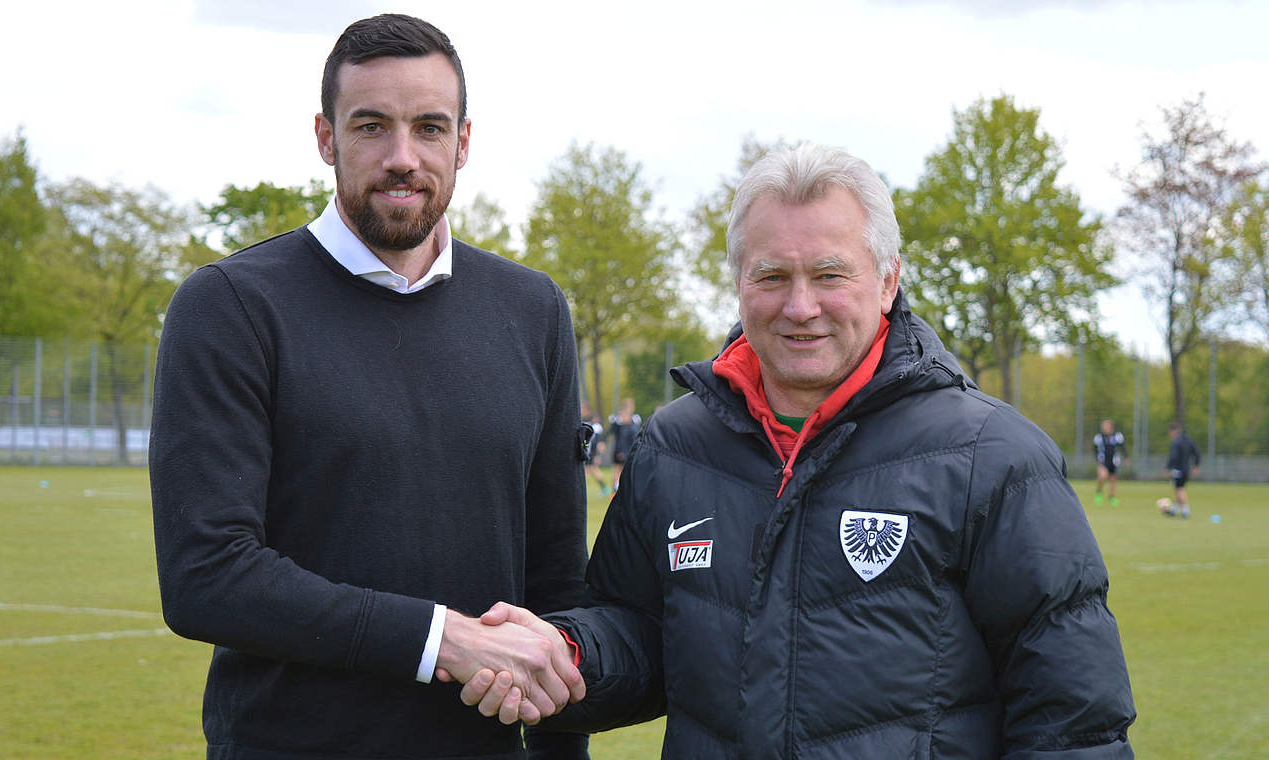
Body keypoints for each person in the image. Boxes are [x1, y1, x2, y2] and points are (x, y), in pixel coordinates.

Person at [463, 144, 1136, 756]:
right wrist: (569, 653)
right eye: (773, 276)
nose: (801, 305)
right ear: (738, 283)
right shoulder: (674, 447)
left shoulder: (993, 458)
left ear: (888, 280)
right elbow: (641, 633)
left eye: (829, 274)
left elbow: (1074, 723)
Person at [149, 14, 589, 760]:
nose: (401, 157)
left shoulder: (533, 310)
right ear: (325, 138)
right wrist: (436, 639)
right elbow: (206, 575)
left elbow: (556, 583)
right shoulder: (230, 306)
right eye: (370, 126)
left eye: (428, 127)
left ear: (464, 142)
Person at [1164, 422, 1201, 519]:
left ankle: (1185, 510)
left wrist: (1168, 468)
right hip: (1186, 469)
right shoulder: (1189, 439)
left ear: (1173, 431)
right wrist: (1196, 465)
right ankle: (1174, 509)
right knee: (1178, 489)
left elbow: (1173, 456)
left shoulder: (1176, 441)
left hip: (1178, 469)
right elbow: (1197, 452)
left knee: (1179, 489)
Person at [605, 398, 640, 492]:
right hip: (621, 448)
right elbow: (611, 432)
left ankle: (621, 490)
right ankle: (615, 490)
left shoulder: (635, 419)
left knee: (625, 469)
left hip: (630, 448)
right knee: (618, 469)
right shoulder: (618, 420)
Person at [1093, 418, 1127, 506]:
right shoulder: (1099, 437)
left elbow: (1122, 447)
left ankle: (1112, 497)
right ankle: (1098, 492)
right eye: (1104, 426)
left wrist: (1126, 457)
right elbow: (1094, 449)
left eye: (1107, 425)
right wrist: (1097, 460)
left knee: (1113, 480)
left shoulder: (1117, 436)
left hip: (1114, 461)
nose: (1105, 427)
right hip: (1103, 461)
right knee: (1103, 476)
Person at [581, 401, 610, 496]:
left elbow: (599, 442)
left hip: (591, 451)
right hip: (588, 450)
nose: (581, 411)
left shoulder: (594, 424)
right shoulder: (584, 420)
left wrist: (597, 455)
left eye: (583, 409)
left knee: (588, 470)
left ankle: (580, 489)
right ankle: (604, 488)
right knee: (592, 470)